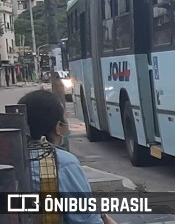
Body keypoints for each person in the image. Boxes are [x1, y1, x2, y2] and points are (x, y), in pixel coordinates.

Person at [19, 90, 117, 224]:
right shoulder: (63, 164)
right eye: (65, 120)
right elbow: (85, 220)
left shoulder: (10, 159)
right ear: (58, 127)